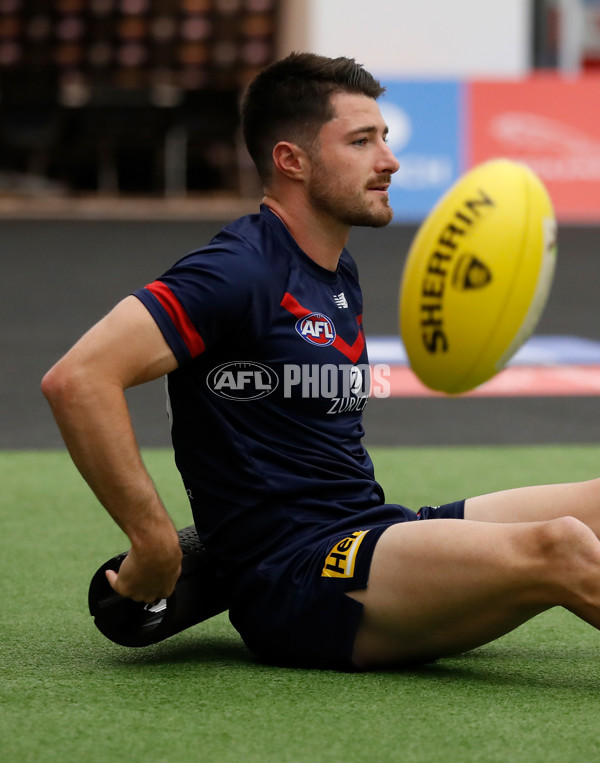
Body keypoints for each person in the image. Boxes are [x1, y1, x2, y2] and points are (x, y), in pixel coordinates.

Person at [42, 52, 600, 671]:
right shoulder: (239, 269)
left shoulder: (336, 269)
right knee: (561, 546)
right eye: (362, 141)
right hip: (297, 579)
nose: (389, 159)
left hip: (366, 531)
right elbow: (79, 378)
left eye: (384, 138)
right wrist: (150, 540)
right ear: (292, 161)